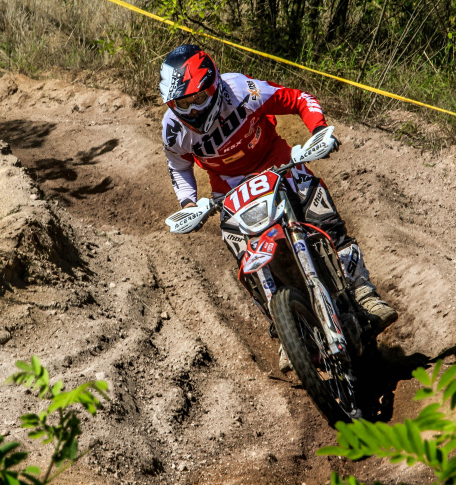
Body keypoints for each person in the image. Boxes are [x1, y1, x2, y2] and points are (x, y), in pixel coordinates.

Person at [159, 44, 397, 372]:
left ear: (213, 87)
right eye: (182, 103)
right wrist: (189, 204)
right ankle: (286, 330)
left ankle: (364, 294)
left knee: (322, 214)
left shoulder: (241, 90)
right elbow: (178, 167)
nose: (191, 109)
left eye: (197, 98)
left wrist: (320, 131)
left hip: (277, 163)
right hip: (230, 190)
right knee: (247, 259)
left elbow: (297, 98)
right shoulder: (173, 129)